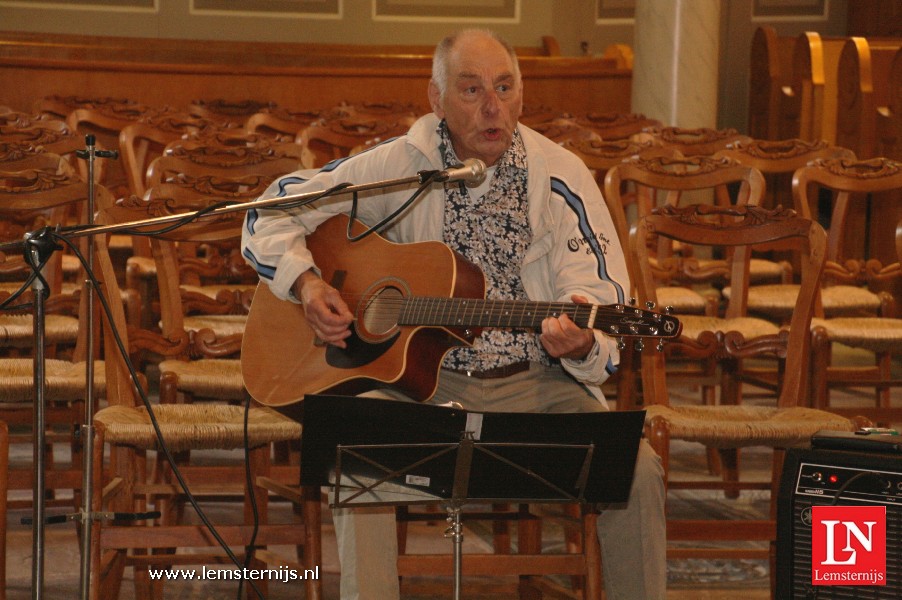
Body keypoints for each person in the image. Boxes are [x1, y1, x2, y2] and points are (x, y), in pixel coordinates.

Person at [241, 28, 666, 600]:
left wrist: (584, 344)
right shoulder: (400, 167)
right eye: (471, 90)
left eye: (505, 87)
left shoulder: (562, 178)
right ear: (436, 101)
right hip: (418, 390)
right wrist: (308, 283)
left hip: (536, 385)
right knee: (357, 448)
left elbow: (599, 294)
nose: (493, 107)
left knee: (636, 469)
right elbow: (269, 213)